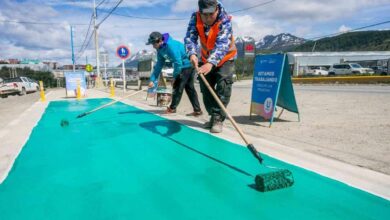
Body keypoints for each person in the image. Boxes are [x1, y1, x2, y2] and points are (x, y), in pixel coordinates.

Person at [184, 0, 237, 133]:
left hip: (225, 58)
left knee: (223, 86)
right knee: (205, 86)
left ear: (217, 10)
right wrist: (192, 54)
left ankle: (218, 118)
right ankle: (213, 116)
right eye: (204, 14)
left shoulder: (225, 19)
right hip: (205, 57)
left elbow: (223, 44)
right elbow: (190, 37)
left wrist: (211, 63)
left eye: (210, 14)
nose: (207, 18)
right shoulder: (195, 17)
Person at [147, 32, 202, 116]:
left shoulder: (171, 45)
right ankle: (197, 110)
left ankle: (172, 108)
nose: (153, 46)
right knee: (189, 88)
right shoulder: (160, 50)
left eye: (153, 43)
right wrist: (152, 80)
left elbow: (178, 62)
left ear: (159, 41)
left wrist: (174, 77)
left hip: (186, 64)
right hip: (183, 65)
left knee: (177, 87)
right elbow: (158, 65)